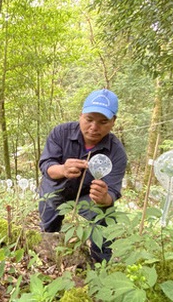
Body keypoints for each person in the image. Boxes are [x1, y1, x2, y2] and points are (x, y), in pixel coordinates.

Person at [38, 89, 127, 263]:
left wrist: (104, 198)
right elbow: (46, 165)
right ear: (81, 115)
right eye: (89, 119)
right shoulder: (60, 133)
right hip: (56, 186)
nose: (94, 128)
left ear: (113, 122)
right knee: (49, 216)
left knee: (104, 216)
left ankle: (101, 264)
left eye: (103, 122)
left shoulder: (117, 152)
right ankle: (49, 255)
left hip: (88, 195)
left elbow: (113, 192)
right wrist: (63, 170)